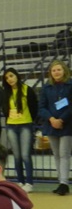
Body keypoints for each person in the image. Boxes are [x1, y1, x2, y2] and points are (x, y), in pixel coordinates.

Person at [38, 59, 72, 196]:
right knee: (56, 154)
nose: (56, 72)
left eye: (59, 69)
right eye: (53, 70)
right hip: (51, 125)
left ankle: (64, 183)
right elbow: (41, 107)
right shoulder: (46, 87)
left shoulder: (70, 85)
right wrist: (52, 119)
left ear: (64, 70)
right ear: (50, 73)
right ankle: (60, 182)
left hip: (67, 125)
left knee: (64, 154)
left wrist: (61, 119)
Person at [0, 68, 38, 192]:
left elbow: (34, 107)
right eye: (7, 78)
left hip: (25, 125)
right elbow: (5, 108)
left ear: (17, 76)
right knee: (16, 156)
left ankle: (29, 182)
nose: (9, 79)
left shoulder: (27, 89)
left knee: (25, 155)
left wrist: (29, 119)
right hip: (11, 125)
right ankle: (20, 181)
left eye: (11, 76)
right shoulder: (6, 92)